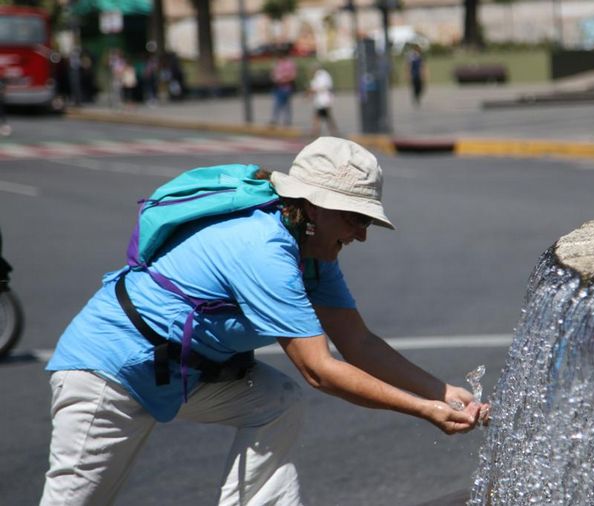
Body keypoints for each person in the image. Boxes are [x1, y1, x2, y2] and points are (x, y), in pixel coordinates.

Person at [40, 137, 487, 505]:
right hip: (109, 371)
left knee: (275, 401)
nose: (361, 234)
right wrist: (423, 410)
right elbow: (319, 370)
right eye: (354, 218)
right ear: (312, 207)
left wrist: (441, 391)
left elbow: (359, 343)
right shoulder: (263, 248)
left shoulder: (313, 255)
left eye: (366, 220)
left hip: (183, 371)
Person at [309, 65, 338, 136]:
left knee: (322, 116)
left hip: (323, 100)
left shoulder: (322, 75)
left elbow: (322, 87)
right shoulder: (322, 75)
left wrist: (313, 90)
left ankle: (316, 131)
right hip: (322, 100)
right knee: (324, 116)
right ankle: (331, 130)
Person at [270, 52, 298, 126]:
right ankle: (275, 119)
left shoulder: (290, 64)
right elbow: (273, 74)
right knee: (277, 103)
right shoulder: (277, 63)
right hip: (278, 86)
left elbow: (293, 75)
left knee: (286, 104)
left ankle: (286, 120)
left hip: (286, 86)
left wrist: (284, 79)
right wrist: (275, 78)